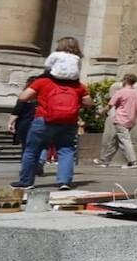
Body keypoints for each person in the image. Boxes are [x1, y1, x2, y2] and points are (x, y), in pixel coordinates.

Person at [13, 40, 91, 190]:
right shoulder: (78, 86)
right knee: (66, 150)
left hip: (44, 119)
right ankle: (64, 182)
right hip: (69, 121)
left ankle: (26, 182)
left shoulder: (43, 82)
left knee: (32, 150)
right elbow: (89, 102)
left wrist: (39, 97)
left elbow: (23, 97)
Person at [95, 73, 137, 168]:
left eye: (123, 79)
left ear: (125, 80)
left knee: (124, 140)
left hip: (121, 119)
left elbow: (110, 105)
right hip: (131, 120)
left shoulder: (121, 92)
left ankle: (132, 162)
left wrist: (100, 112)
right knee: (115, 140)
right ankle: (105, 161)